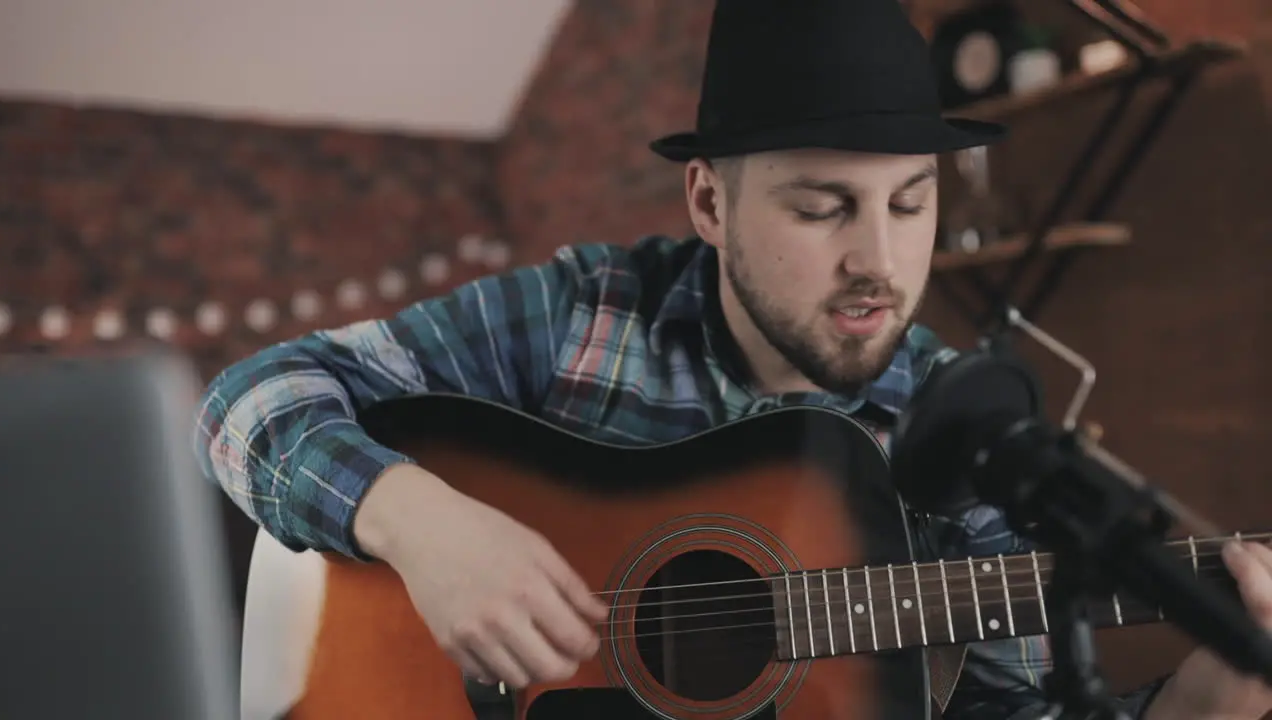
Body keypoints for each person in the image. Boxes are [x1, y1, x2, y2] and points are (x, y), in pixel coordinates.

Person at [193, 1, 1272, 718]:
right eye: (821, 207)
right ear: (710, 199)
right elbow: (247, 399)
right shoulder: (588, 312)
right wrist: (423, 522)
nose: (879, 261)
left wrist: (1207, 697)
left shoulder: (971, 440)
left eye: (910, 203)